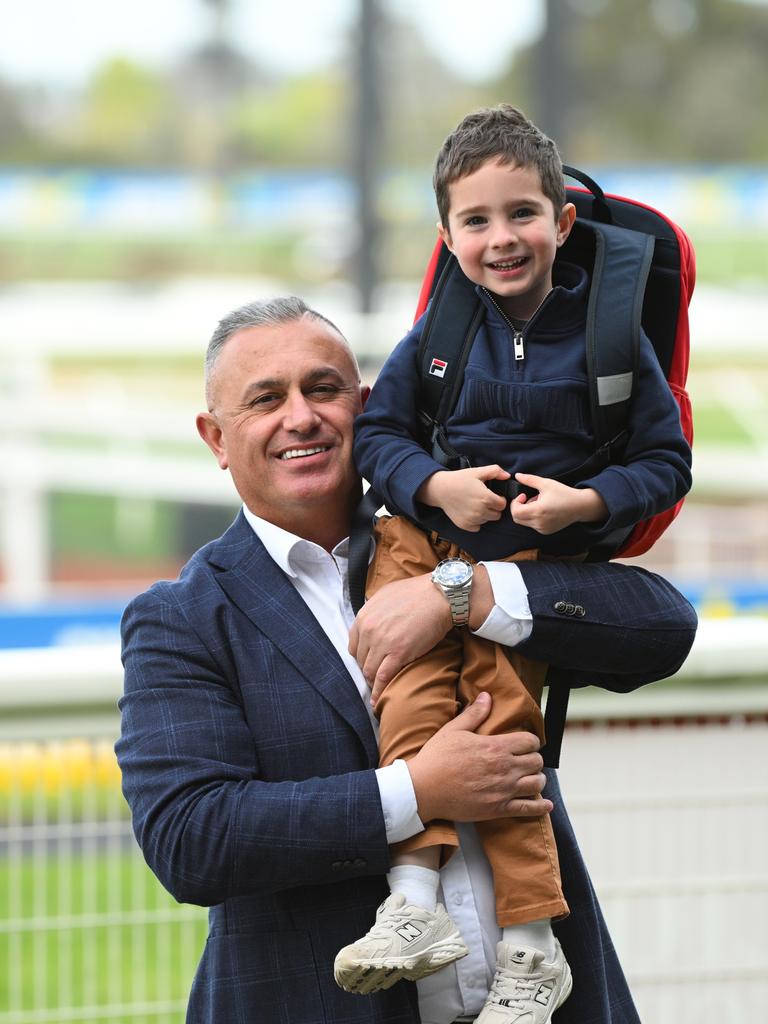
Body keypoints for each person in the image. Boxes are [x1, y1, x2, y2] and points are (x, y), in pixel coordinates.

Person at [116, 295, 696, 1024]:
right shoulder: (183, 617)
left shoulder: (459, 529)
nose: (301, 417)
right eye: (266, 400)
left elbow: (662, 630)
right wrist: (420, 791)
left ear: (366, 405)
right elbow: (191, 839)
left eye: (323, 389)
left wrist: (464, 591)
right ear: (216, 437)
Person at [347, 104, 693, 1021]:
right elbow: (377, 434)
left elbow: (667, 463)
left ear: (562, 222)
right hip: (431, 534)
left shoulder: (611, 338)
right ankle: (412, 900)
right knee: (405, 685)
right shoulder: (439, 335)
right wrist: (432, 487)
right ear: (447, 236)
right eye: (477, 220)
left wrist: (589, 503)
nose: (502, 238)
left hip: (529, 558)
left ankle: (534, 947)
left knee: (501, 731)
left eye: (521, 215)